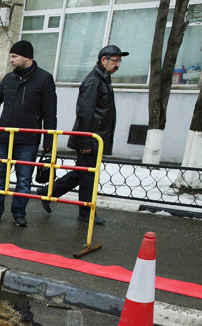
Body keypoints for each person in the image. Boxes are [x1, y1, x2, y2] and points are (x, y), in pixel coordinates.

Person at [37, 45, 128, 225]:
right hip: (90, 138)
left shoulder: (103, 78)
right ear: (104, 60)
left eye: (120, 61)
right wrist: (86, 140)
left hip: (95, 137)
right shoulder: (94, 81)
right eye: (115, 60)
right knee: (88, 176)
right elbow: (85, 112)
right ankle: (85, 213)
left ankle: (48, 193)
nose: (118, 64)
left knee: (83, 174)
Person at [0, 40, 57, 227]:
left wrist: (49, 140)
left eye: (14, 56)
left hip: (28, 141)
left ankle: (19, 214)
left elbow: (50, 113)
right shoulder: (9, 79)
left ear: (27, 57)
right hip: (4, 139)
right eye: (11, 56)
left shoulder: (44, 79)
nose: (11, 60)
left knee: (24, 180)